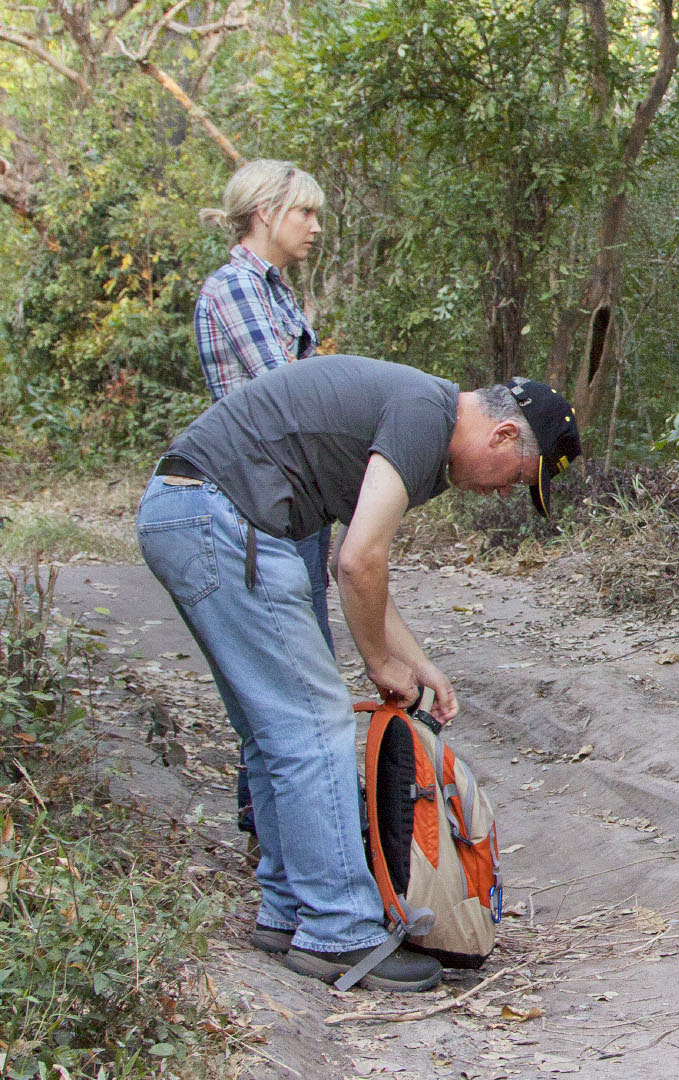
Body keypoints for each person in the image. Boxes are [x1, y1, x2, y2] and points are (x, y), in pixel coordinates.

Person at [136, 355, 581, 991]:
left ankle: (287, 910)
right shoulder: (426, 416)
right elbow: (358, 562)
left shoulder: (419, 420)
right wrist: (377, 660)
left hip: (193, 512)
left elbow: (364, 565)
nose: (504, 492)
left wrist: (415, 659)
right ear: (503, 435)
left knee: (273, 733)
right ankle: (338, 932)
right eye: (516, 478)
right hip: (223, 516)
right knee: (314, 728)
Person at [194, 160, 332, 843]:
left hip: (296, 500)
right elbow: (290, 396)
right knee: (290, 675)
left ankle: (288, 829)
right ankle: (276, 832)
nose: (314, 226)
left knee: (306, 663)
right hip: (263, 501)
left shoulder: (275, 293)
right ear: (265, 212)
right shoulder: (236, 291)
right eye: (304, 212)